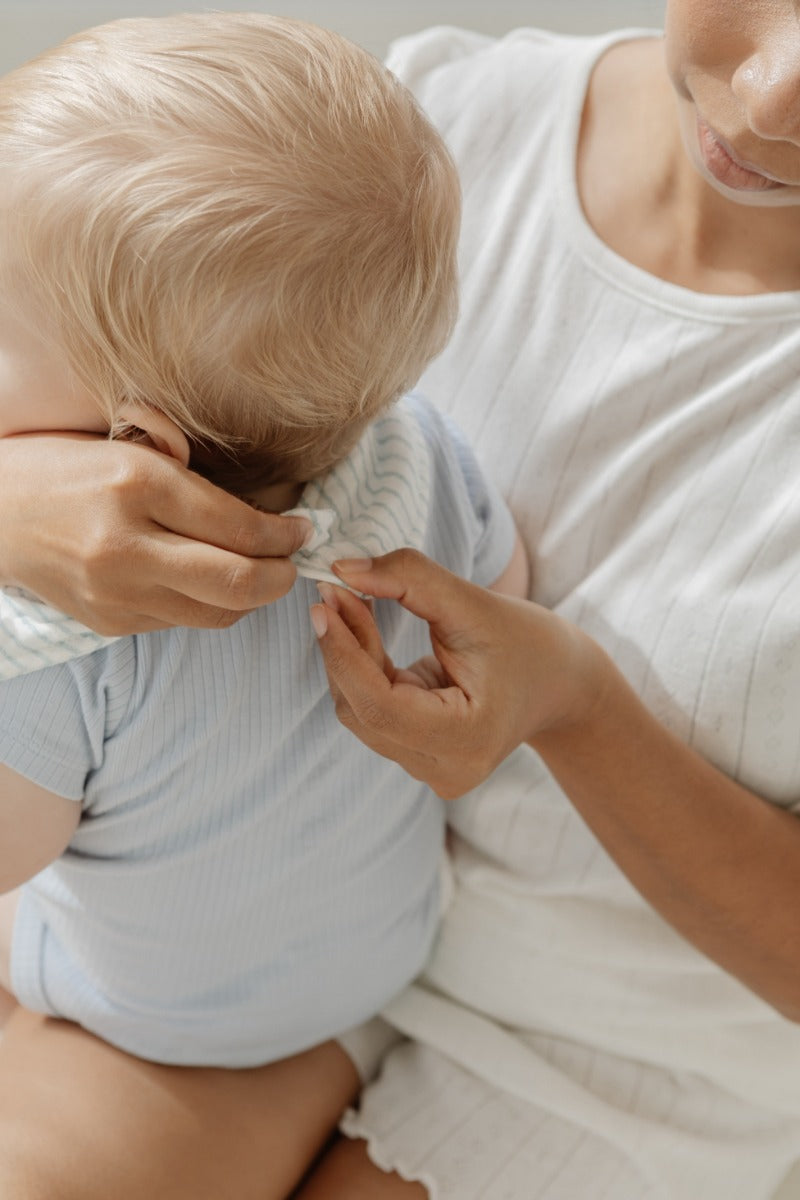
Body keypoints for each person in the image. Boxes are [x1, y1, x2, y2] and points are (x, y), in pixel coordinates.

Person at [4, 3, 800, 1199]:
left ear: (143, 432)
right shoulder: (384, 150)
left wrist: (576, 705)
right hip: (339, 961)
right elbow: (491, 572)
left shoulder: (63, 647)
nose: (772, 93)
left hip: (613, 1051)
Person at [0, 12, 527, 1198]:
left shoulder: (57, 632)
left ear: (135, 442)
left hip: (160, 1019)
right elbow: (506, 592)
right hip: (369, 962)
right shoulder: (416, 456)